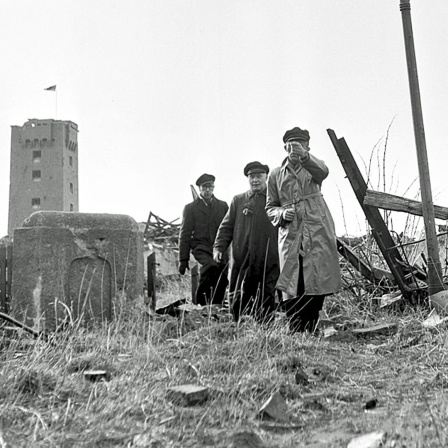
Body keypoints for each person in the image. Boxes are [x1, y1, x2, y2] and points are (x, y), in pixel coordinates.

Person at [266, 127, 341, 333]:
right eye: (292, 145)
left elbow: (324, 172)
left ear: (308, 146)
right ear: (285, 148)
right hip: (290, 232)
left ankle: (311, 323)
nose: (296, 149)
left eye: (301, 145)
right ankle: (295, 326)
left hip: (317, 227)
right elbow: (270, 207)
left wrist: (305, 156)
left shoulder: (314, 167)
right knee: (292, 278)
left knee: (317, 276)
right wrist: (281, 214)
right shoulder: (274, 175)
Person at [214, 162, 280, 322]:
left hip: (268, 258)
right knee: (239, 292)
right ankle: (239, 328)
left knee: (266, 293)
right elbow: (226, 227)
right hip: (242, 258)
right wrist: (218, 247)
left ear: (266, 177)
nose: (255, 180)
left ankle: (265, 331)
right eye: (252, 177)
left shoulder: (276, 200)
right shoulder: (238, 200)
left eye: (259, 176)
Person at [178, 173, 229, 306]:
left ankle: (217, 306)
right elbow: (185, 234)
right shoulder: (190, 208)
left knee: (222, 275)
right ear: (199, 189)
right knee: (210, 267)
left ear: (213, 188)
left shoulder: (223, 206)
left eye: (210, 187)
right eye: (204, 187)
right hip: (201, 247)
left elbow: (229, 228)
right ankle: (201, 305)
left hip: (219, 247)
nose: (207, 190)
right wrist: (183, 259)